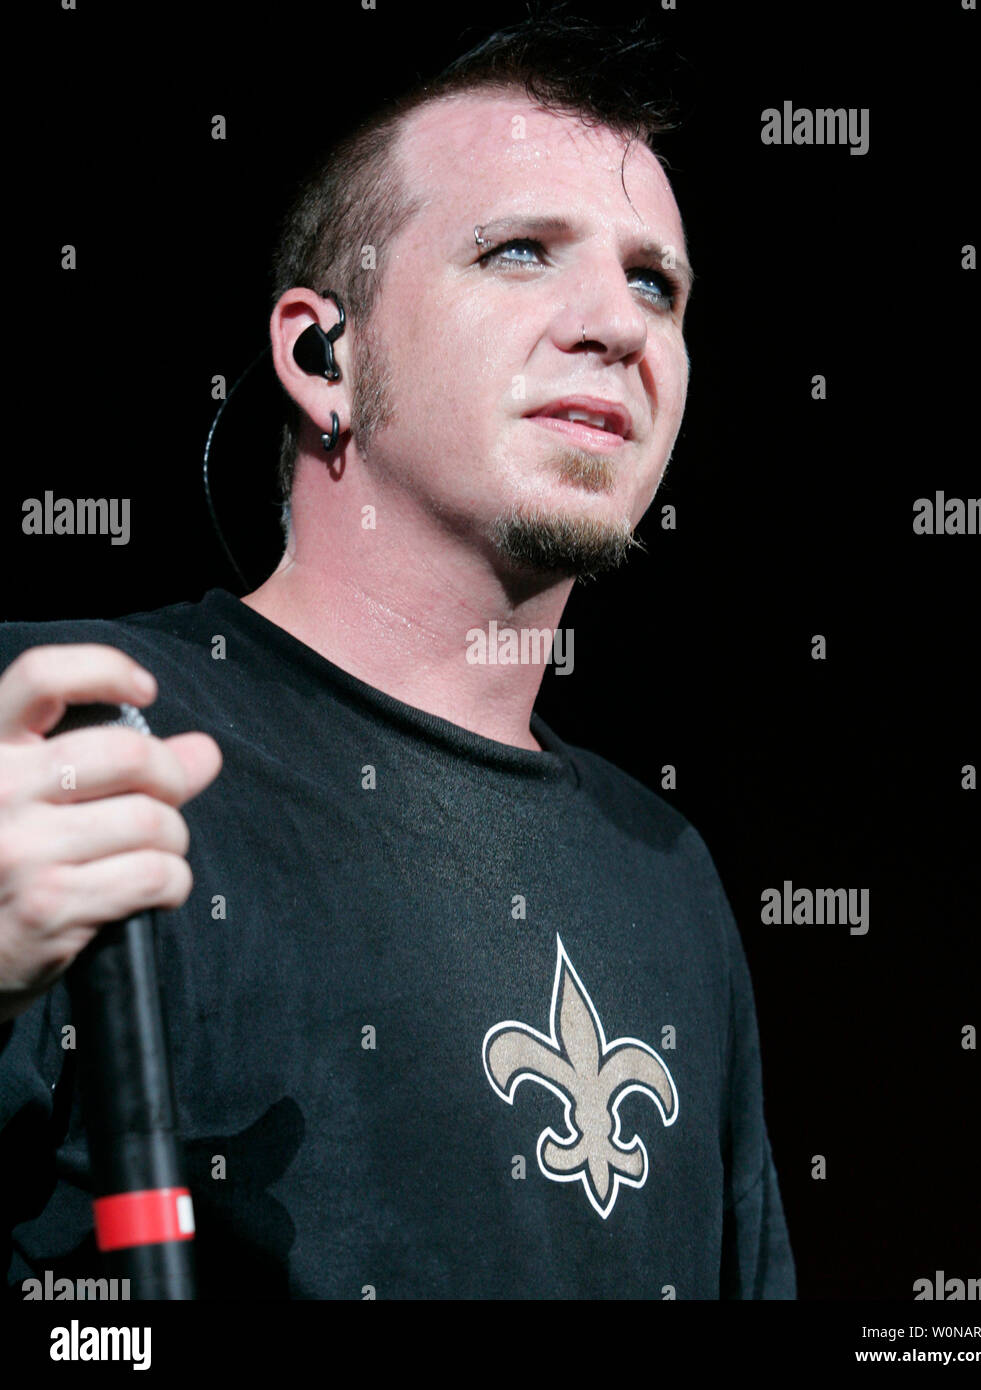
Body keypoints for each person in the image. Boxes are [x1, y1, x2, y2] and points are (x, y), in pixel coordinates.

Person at [0, 18, 796, 1299]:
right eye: (519, 251)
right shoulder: (66, 728)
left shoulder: (670, 876)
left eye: (657, 283)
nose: (613, 323)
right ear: (324, 354)